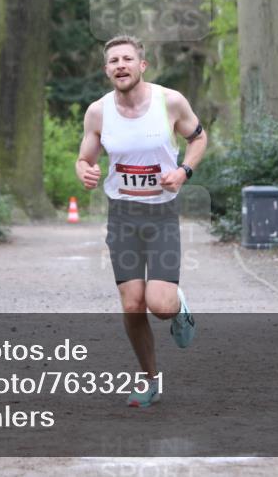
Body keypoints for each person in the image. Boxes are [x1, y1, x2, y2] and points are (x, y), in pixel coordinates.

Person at [75, 34, 208, 408]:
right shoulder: (98, 112)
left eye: (127, 59)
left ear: (141, 65)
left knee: (159, 305)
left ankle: (177, 307)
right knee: (132, 303)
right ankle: (150, 380)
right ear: (106, 70)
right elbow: (85, 158)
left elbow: (199, 139)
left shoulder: (171, 102)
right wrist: (83, 171)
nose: (120, 65)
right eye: (113, 60)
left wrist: (183, 171)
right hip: (123, 216)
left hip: (162, 214)